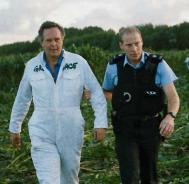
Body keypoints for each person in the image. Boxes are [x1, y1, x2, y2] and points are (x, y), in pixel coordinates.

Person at [9, 21, 108, 184]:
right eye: (48, 40)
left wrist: (100, 122)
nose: (53, 44)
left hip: (71, 129)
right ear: (41, 42)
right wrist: (15, 127)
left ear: (62, 40)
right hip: (41, 130)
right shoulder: (32, 66)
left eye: (57, 39)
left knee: (69, 177)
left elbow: (96, 92)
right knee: (49, 179)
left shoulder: (78, 63)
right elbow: (22, 98)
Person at [102, 26, 180, 184]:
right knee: (129, 175)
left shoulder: (158, 64)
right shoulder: (114, 66)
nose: (134, 48)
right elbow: (107, 91)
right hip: (124, 128)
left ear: (142, 42)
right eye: (129, 45)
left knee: (149, 176)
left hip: (150, 127)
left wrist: (170, 117)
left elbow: (173, 98)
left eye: (137, 43)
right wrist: (124, 105)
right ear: (121, 45)